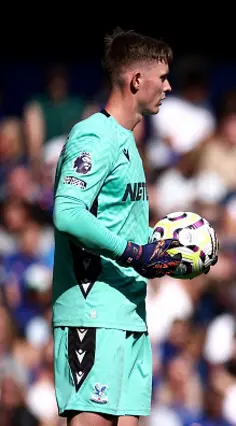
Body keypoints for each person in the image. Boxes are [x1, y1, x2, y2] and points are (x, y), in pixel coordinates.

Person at [51, 28, 183, 426]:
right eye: (162, 78)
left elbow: (117, 223)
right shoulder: (95, 135)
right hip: (93, 311)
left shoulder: (127, 140)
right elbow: (68, 213)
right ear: (136, 81)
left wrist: (160, 257)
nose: (169, 86)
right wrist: (132, 252)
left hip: (128, 311)